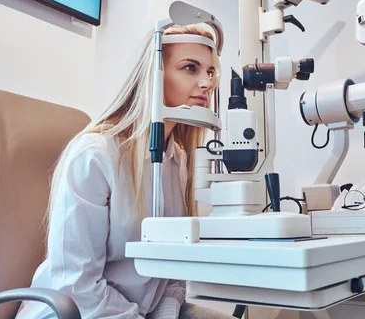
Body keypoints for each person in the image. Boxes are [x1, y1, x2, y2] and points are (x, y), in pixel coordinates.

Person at [16, 24, 235, 319]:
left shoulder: (177, 160)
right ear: (154, 77)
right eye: (190, 68)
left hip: (143, 312)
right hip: (77, 313)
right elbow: (76, 285)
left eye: (210, 72)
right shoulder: (95, 155)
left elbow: (171, 270)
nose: (206, 83)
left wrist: (166, 313)